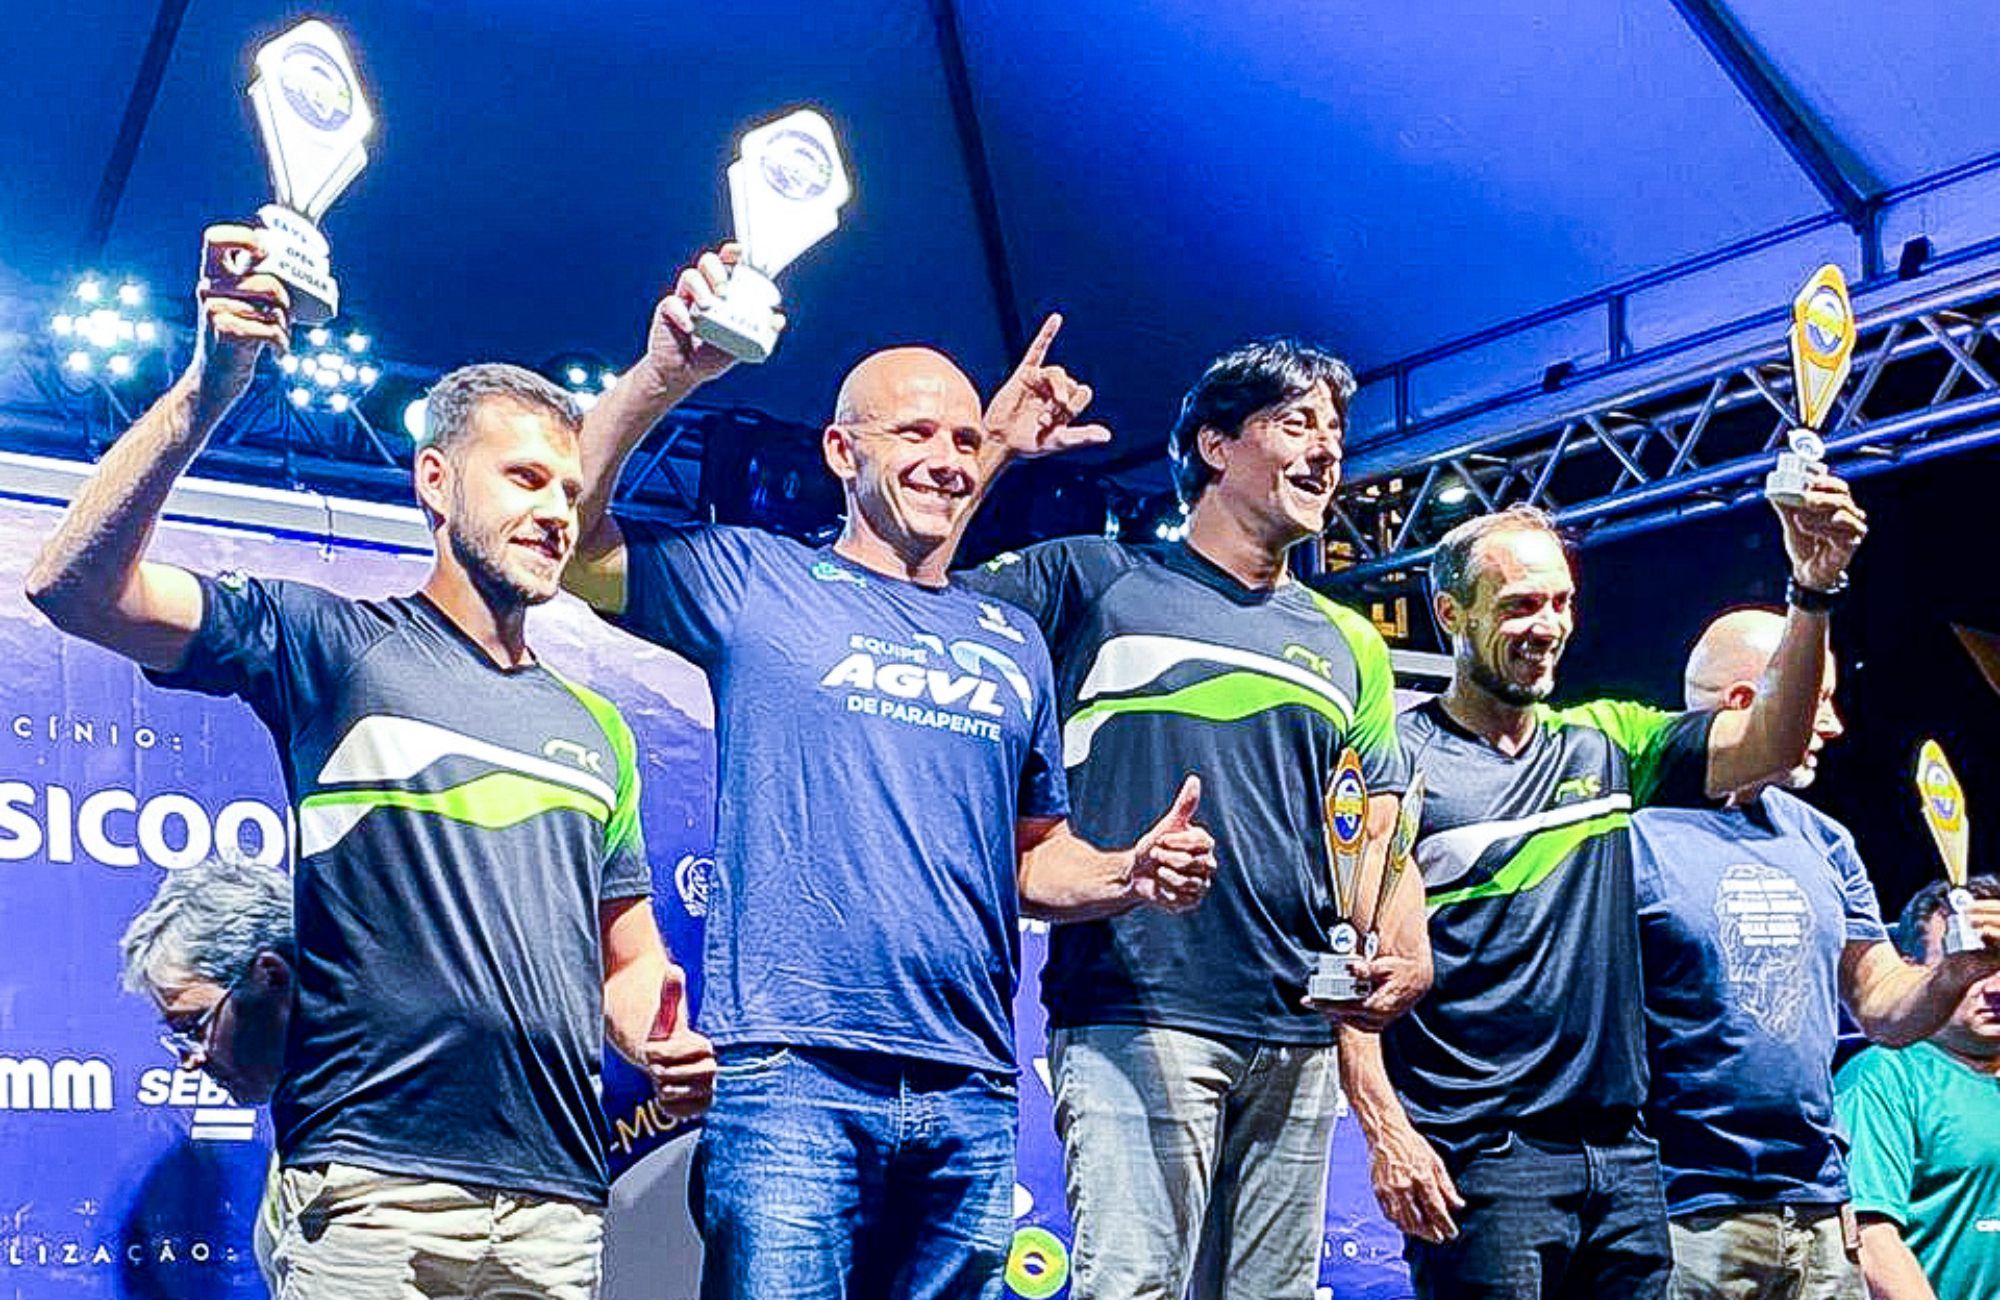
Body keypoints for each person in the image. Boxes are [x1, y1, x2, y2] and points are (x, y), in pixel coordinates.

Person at [27, 224, 715, 1300]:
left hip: (557, 1206)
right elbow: (74, 587)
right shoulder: (332, 644)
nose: (554, 511)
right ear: (435, 481)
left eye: (569, 490)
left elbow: (628, 964)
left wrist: (652, 1035)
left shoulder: (597, 725)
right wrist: (211, 387)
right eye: (525, 478)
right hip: (370, 1194)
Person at [563, 251, 1218, 1298]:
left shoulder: (1010, 641)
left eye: (963, 438)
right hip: (792, 1074)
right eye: (913, 433)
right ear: (841, 450)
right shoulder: (757, 580)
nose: (947, 459)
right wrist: (661, 376)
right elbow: (572, 541)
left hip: (970, 1083)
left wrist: (1125, 874)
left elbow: (1034, 860)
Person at [957, 336, 1428, 1299]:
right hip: (1137, 1012)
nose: (1328, 449)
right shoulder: (1093, 580)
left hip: (1299, 1029)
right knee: (1134, 1288)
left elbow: (1377, 829)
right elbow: (908, 591)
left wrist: (1407, 944)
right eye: (1296, 423)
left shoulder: (1347, 640)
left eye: (1336, 431)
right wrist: (995, 447)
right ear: (1216, 446)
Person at [1339, 486, 1867, 1300]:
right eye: (1519, 605)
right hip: (1483, 1162)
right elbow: (1351, 970)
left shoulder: (1607, 742)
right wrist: (1386, 1131)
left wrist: (1812, 591)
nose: (1547, 625)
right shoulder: (1394, 766)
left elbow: (1772, 742)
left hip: (1625, 1158)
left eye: (1560, 602)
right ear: (1450, 614)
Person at [1635, 610, 2000, 1300]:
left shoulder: (1823, 839)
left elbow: (1882, 1009)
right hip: (1684, 1209)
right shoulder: (1633, 833)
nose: (1833, 726)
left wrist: (1955, 971)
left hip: (1817, 1208)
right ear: (1745, 702)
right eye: (1817, 699)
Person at [119, 853, 297, 1291]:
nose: (191, 1058)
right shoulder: (305, 1120)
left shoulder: (381, 1120)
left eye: (195, 1026)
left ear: (271, 976)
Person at [1836, 875, 2000, 1300]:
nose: (1995, 987)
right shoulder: (1884, 1076)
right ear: (1911, 973)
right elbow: (1871, 1241)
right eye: (1970, 964)